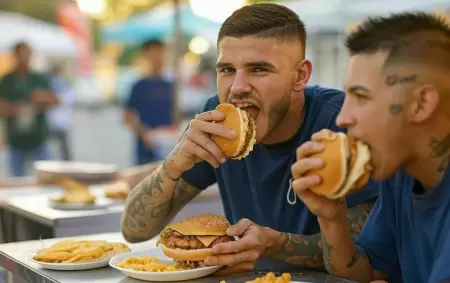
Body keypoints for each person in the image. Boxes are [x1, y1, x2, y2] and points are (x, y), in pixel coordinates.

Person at [120, 3, 379, 273]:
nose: (238, 88)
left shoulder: (342, 124)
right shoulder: (216, 124)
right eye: (227, 70)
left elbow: (365, 253)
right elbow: (134, 231)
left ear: (300, 76)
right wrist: (172, 165)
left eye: (258, 69)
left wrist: (277, 244)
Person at [291, 12, 450, 283]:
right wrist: (331, 217)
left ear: (422, 103)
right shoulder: (402, 170)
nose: (343, 118)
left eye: (360, 96)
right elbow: (369, 272)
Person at [0, 42, 58, 177]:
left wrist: (41, 98)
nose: (24, 58)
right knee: (17, 180)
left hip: (38, 139)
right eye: (21, 54)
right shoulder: (7, 80)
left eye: (27, 54)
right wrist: (17, 109)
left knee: (48, 178)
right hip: (16, 141)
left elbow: (55, 101)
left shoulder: (39, 78)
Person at [123, 39, 174, 165]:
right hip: (145, 148)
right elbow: (127, 116)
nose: (157, 58)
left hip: (168, 146)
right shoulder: (139, 86)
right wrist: (145, 134)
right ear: (146, 56)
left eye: (160, 53)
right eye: (153, 53)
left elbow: (177, 114)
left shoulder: (171, 86)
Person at [47, 63, 75, 161]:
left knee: (63, 150)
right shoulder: (52, 84)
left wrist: (52, 100)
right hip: (53, 122)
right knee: (53, 150)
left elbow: (63, 100)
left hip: (61, 122)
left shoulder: (64, 85)